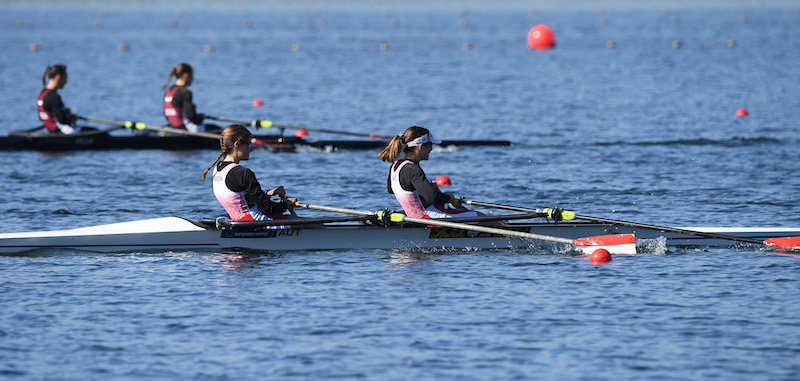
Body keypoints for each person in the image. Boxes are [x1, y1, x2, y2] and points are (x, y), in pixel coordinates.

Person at [377, 126, 480, 220]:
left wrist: (426, 188)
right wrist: (449, 197)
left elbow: (392, 189)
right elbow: (432, 197)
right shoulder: (413, 169)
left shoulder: (395, 166)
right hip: (430, 218)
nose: (431, 148)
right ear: (421, 146)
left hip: (415, 217)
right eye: (430, 145)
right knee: (480, 216)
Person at [202, 124, 297, 222]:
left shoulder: (217, 170)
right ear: (237, 144)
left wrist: (267, 194)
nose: (251, 149)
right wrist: (287, 204)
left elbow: (240, 198)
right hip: (257, 223)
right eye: (249, 144)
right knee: (304, 222)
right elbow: (269, 209)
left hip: (238, 221)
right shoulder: (243, 173)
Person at [162, 63, 218, 133]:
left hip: (173, 127)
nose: (193, 78)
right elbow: (193, 119)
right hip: (186, 129)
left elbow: (166, 115)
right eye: (192, 75)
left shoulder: (168, 91)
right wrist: (201, 117)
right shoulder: (185, 92)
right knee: (216, 128)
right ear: (186, 75)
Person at [37, 65, 82, 134]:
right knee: (93, 131)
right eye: (65, 78)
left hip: (51, 130)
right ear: (59, 77)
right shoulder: (54, 97)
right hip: (61, 132)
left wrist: (66, 115)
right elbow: (62, 120)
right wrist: (71, 119)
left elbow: (41, 117)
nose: (66, 81)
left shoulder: (42, 94)